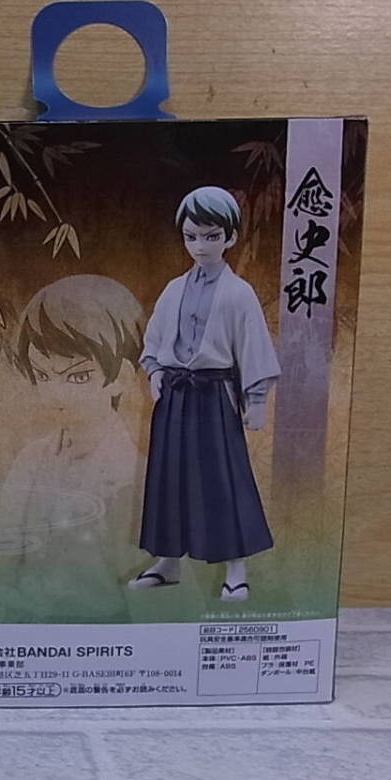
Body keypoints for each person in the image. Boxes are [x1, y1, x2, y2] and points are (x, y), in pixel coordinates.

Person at [128, 186, 280, 601]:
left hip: (215, 396)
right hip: (175, 394)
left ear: (230, 237)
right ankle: (168, 561)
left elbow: (253, 345)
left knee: (222, 479)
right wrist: (155, 370)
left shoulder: (238, 292)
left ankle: (236, 568)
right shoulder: (174, 288)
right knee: (169, 477)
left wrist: (257, 400)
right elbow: (155, 338)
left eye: (211, 236)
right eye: (191, 236)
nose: (200, 246)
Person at [0, 274, 146, 623]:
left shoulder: (133, 476)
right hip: (23, 629)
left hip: (104, 636)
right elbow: (1, 560)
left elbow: (159, 602)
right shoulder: (32, 458)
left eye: (78, 377)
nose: (55, 394)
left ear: (121, 379)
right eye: (42, 375)